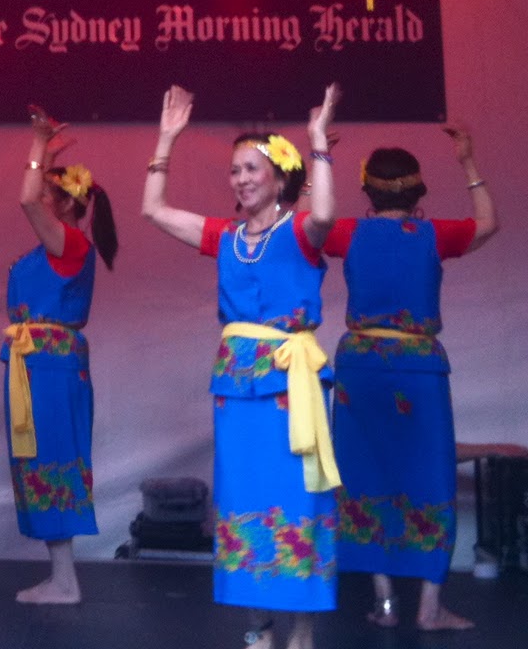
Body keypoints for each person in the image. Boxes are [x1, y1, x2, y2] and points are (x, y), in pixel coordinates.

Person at [142, 84, 341, 649]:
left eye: (252, 169)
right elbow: (153, 209)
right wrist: (166, 139)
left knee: (300, 501)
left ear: (280, 177)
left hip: (290, 385)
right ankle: (256, 630)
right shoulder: (225, 237)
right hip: (237, 386)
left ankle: (301, 636)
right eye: (235, 171)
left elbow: (325, 210)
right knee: (244, 502)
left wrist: (319, 143)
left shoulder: (300, 231)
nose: (241, 179)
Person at [324, 128, 498, 631]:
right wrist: (467, 162)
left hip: (361, 366)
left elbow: (305, 226)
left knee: (366, 475)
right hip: (418, 366)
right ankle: (428, 607)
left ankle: (383, 604)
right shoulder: (431, 235)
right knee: (429, 475)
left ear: (367, 191)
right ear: (417, 192)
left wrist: (320, 161)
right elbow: (489, 223)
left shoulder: (348, 233)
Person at [5, 106, 118, 604]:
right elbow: (34, 197)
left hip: (51, 366)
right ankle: (61, 576)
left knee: (55, 458)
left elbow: (26, 198)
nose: (41, 205)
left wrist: (36, 147)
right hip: (35, 364)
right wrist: (45, 157)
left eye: (50, 196)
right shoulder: (51, 247)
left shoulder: (69, 243)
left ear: (66, 205)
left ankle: (66, 580)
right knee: (38, 459)